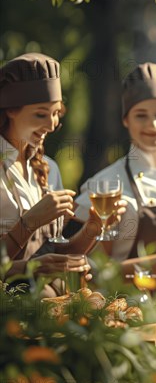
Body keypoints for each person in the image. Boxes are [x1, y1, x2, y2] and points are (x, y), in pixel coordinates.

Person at [75, 62, 156, 303]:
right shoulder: (104, 186)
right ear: (125, 120)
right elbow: (90, 270)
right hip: (134, 316)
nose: (153, 125)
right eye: (141, 115)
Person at [0, 53, 112, 294]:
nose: (51, 125)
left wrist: (93, 228)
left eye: (56, 113)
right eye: (41, 114)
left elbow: (53, 255)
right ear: (10, 110)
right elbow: (32, 266)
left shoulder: (48, 168)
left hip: (48, 302)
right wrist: (29, 222)